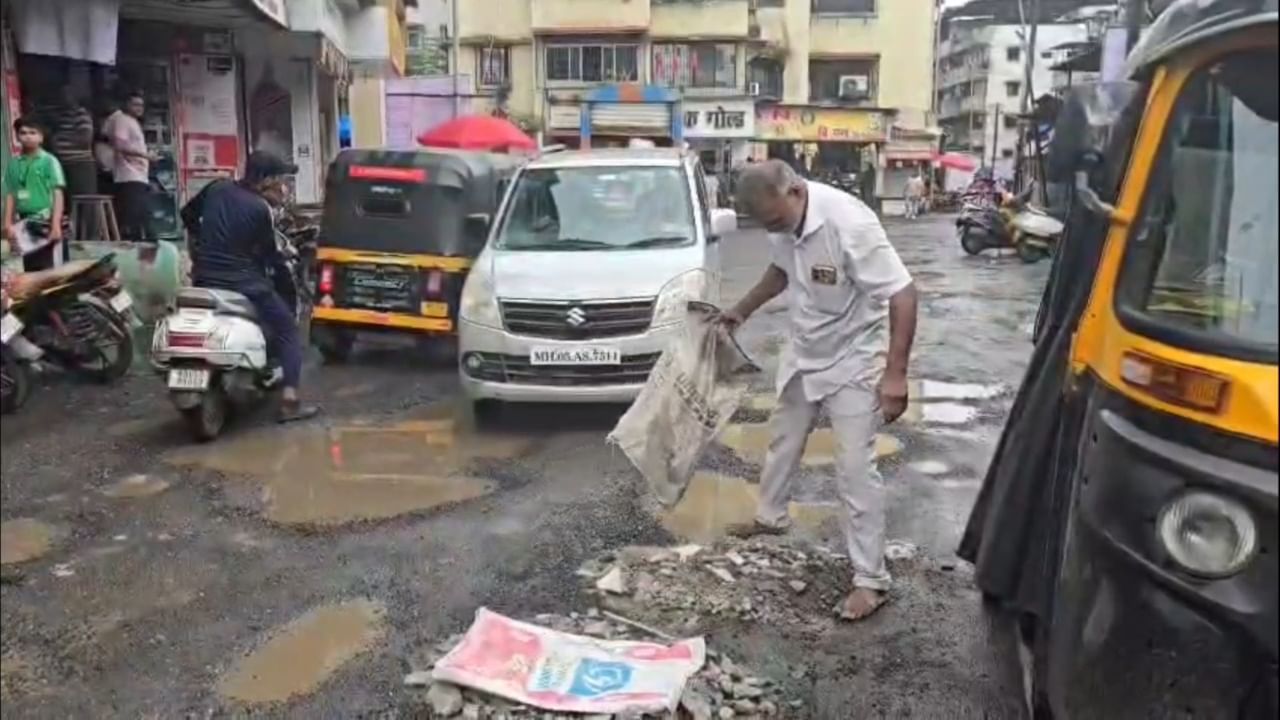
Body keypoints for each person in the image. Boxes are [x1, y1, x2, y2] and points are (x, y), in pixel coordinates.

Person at [720, 160, 919, 623]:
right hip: (805, 347)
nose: (774, 229)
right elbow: (780, 268)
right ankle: (770, 519)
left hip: (854, 357)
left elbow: (904, 294)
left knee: (853, 469)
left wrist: (896, 376)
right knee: (783, 439)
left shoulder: (849, 224)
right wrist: (741, 310)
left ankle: (871, 580)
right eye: (766, 225)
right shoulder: (781, 218)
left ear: (794, 191)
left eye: (775, 221)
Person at [183, 152, 318, 423]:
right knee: (288, 330)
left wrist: (201, 244)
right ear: (266, 179)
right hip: (245, 284)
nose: (283, 185)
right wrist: (283, 280)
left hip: (205, 279)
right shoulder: (260, 209)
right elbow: (270, 256)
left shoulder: (216, 188)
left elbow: (187, 214)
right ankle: (290, 402)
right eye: (280, 178)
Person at [2, 116, 68, 271]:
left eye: (33, 132)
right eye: (23, 133)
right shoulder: (13, 164)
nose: (27, 136)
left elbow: (58, 193)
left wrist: (56, 225)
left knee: (54, 271)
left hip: (47, 220)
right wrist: (7, 223)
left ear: (41, 137)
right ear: (17, 136)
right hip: (25, 224)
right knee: (32, 269)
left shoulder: (49, 161)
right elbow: (10, 195)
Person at [105, 91, 154, 242]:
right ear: (126, 104)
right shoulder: (122, 120)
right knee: (133, 217)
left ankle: (142, 246)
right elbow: (120, 145)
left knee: (141, 216)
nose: (139, 108)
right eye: (135, 104)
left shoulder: (133, 121)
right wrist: (146, 156)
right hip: (129, 175)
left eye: (141, 105)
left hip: (138, 175)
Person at [43, 86, 97, 198]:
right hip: (65, 164)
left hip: (79, 164)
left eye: (65, 95)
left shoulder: (80, 114)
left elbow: (86, 138)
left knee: (81, 200)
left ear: (73, 97)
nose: (62, 99)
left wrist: (63, 140)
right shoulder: (62, 116)